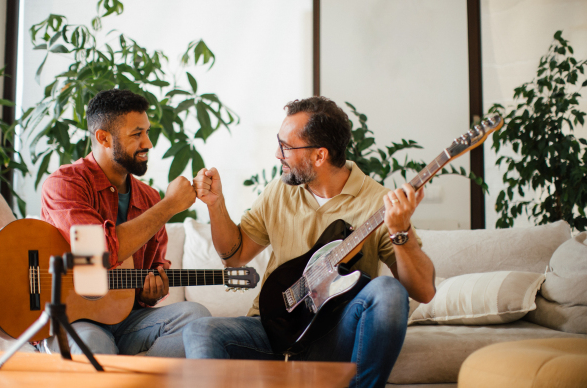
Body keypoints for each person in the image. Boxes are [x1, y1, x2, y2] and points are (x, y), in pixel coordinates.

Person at [183, 96, 436, 387]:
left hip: (329, 338)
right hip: (271, 329)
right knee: (199, 331)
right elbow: (234, 256)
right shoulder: (279, 191)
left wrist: (400, 232)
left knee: (389, 291)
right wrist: (216, 206)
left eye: (286, 147)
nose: (277, 154)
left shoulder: (377, 203)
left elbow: (424, 291)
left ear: (319, 156)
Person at [38, 89, 211, 357]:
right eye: (137, 134)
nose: (149, 143)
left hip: (127, 321)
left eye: (147, 132)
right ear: (103, 138)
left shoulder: (149, 197)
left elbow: (153, 269)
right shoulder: (64, 184)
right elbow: (98, 253)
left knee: (196, 316)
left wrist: (151, 292)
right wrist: (170, 205)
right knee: (95, 345)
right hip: (75, 319)